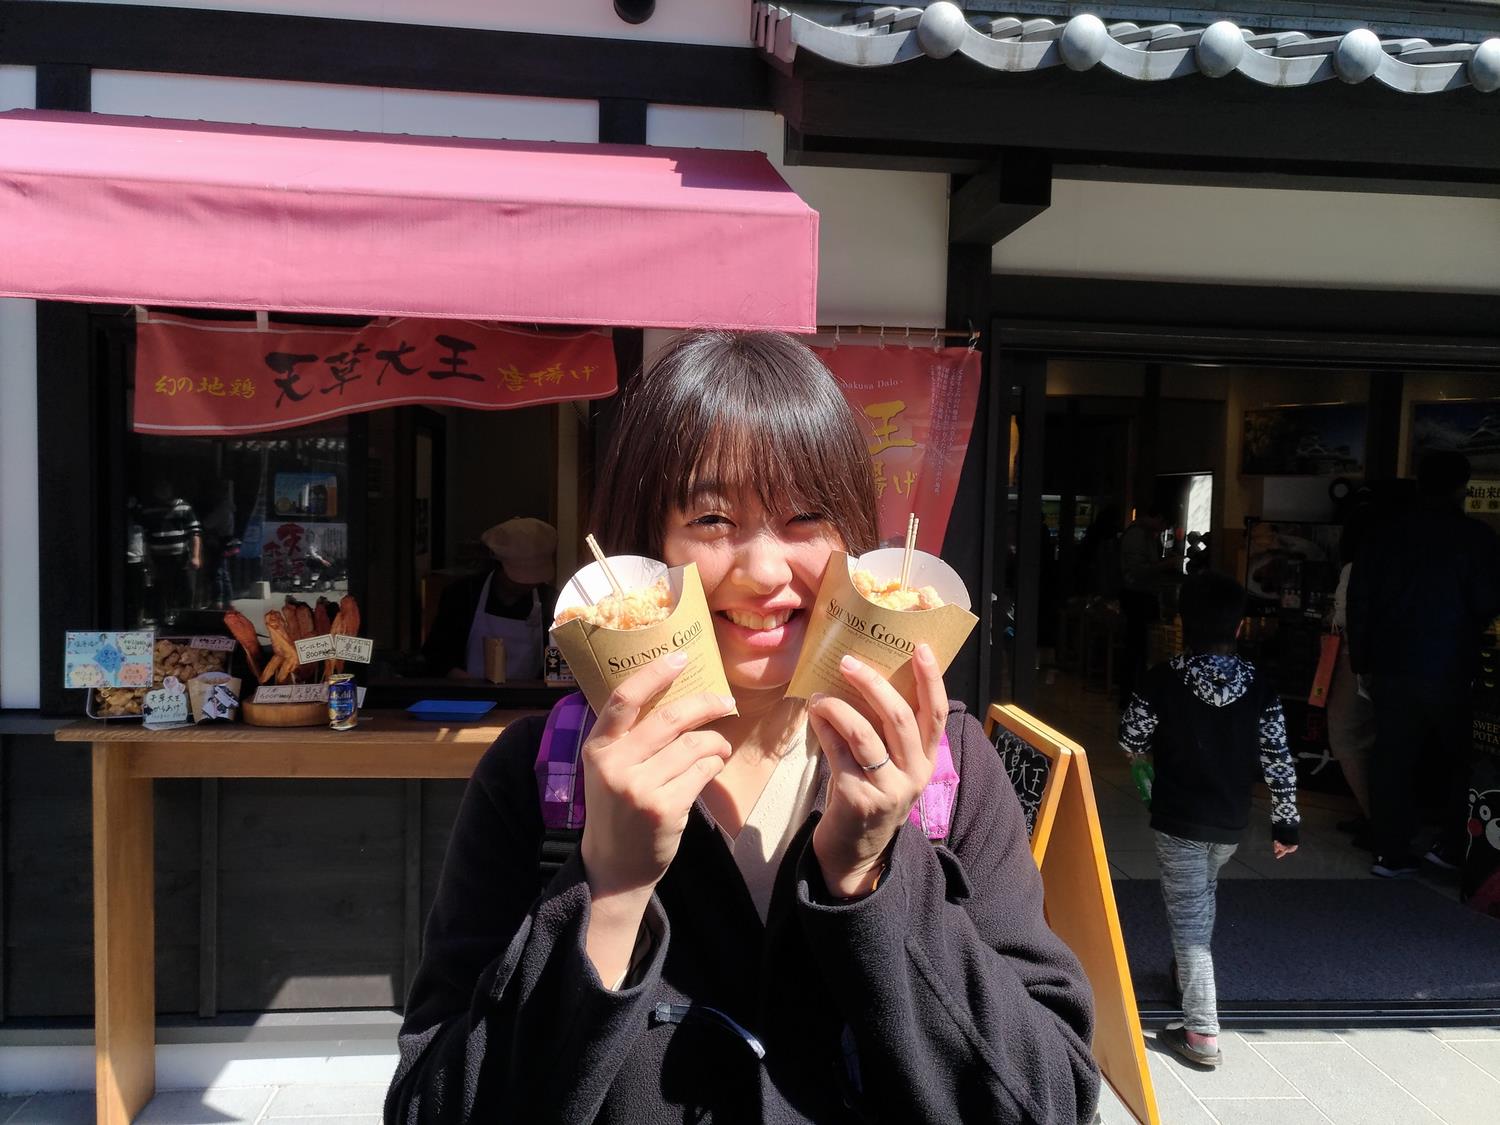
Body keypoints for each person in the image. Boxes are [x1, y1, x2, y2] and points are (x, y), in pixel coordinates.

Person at [387, 331, 1099, 1124]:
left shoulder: (945, 766)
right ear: (646, 544)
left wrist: (872, 875)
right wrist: (609, 891)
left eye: (805, 517)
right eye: (713, 517)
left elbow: (1052, 1099)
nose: (764, 572)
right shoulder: (541, 775)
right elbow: (429, 1107)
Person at [1119, 570, 1300, 1070]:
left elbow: (1130, 736)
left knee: (1190, 922)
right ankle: (1184, 976)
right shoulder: (1260, 685)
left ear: (1182, 623)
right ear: (1238, 627)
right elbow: (1279, 758)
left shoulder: (1163, 677)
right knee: (1201, 898)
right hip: (1229, 824)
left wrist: (1144, 750)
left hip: (1179, 819)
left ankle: (1201, 1030)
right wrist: (1286, 824)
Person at [1347, 451, 1500, 878]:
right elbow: (1486, 601)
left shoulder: (1383, 533)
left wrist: (1363, 661)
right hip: (1452, 666)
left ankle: (1389, 851)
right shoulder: (1476, 537)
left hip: (1390, 664)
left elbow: (1360, 600)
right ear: (1462, 487)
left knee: (1392, 756)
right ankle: (1451, 846)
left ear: (1418, 482)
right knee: (1461, 760)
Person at [421, 517, 557, 681]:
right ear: (499, 566)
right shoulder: (463, 594)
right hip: (467, 692)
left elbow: (557, 662)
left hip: (528, 694)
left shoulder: (549, 600)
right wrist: (467, 682)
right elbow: (436, 655)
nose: (527, 584)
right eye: (519, 578)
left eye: (534, 579)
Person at [1326, 509, 1377, 840]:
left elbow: (1343, 620)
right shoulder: (1400, 564)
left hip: (1354, 660)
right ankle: (1378, 814)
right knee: (1376, 739)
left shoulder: (1354, 568)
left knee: (1345, 735)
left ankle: (1375, 816)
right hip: (1394, 668)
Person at [1117, 503, 1171, 704]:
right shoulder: (1138, 536)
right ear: (1157, 518)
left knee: (1138, 650)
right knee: (1137, 650)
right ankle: (1131, 695)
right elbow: (1138, 570)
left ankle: (1134, 694)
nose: (1162, 529)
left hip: (1138, 597)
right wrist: (1164, 566)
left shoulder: (1142, 534)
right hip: (1138, 598)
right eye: (1163, 524)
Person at [141, 477, 202, 626]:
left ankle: (185, 620)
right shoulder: (149, 510)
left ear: (172, 490)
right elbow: (145, 538)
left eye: (166, 488)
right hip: (159, 558)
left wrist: (195, 557)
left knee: (185, 589)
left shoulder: (184, 508)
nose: (163, 491)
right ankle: (162, 621)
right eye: (160, 489)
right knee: (161, 590)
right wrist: (149, 561)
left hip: (181, 557)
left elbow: (194, 533)